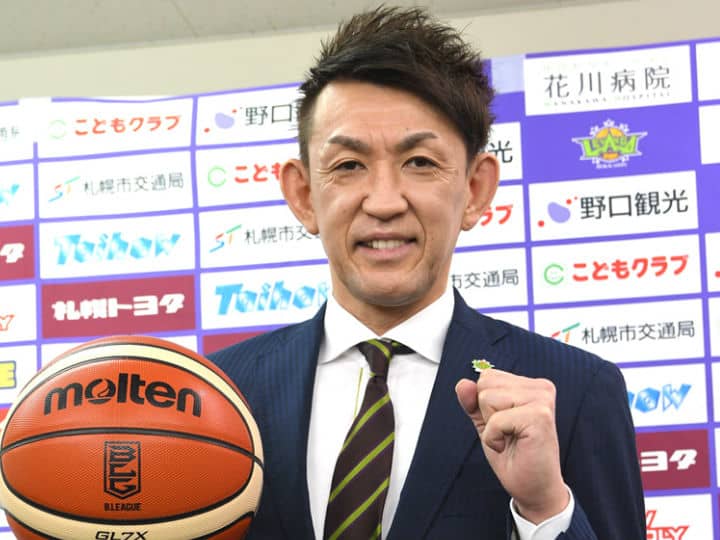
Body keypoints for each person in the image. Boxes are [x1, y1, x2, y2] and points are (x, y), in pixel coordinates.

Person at [209, 6, 646, 539]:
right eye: (349, 165)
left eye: (419, 162)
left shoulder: (575, 391)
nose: (384, 202)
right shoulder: (219, 394)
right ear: (303, 195)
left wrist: (545, 509)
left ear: (476, 189)